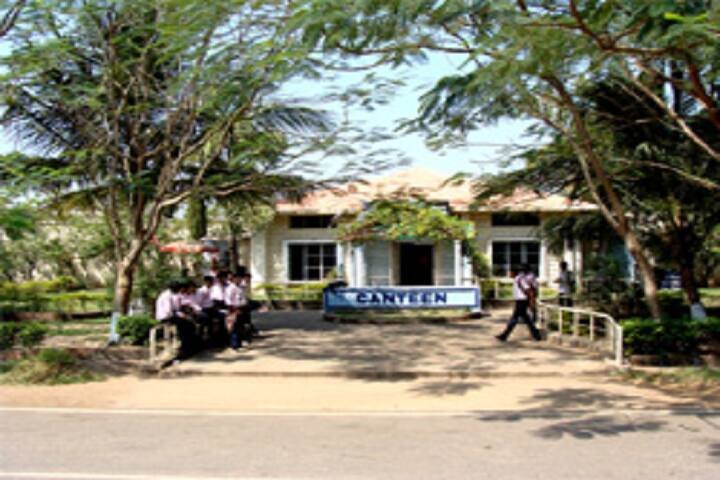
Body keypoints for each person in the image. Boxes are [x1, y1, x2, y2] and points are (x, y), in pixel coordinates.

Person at [495, 264, 542, 342]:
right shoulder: (522, 277)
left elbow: (528, 290)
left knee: (514, 318)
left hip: (522, 301)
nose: (509, 273)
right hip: (521, 300)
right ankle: (536, 335)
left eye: (510, 271)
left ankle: (504, 335)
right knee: (526, 319)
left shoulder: (520, 278)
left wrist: (531, 300)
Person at [155, 281, 197, 358]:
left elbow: (175, 309)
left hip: (170, 315)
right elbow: (168, 311)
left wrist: (182, 315)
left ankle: (187, 347)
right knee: (186, 325)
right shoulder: (166, 296)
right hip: (165, 317)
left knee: (190, 324)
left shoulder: (171, 294)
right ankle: (183, 349)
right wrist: (181, 316)